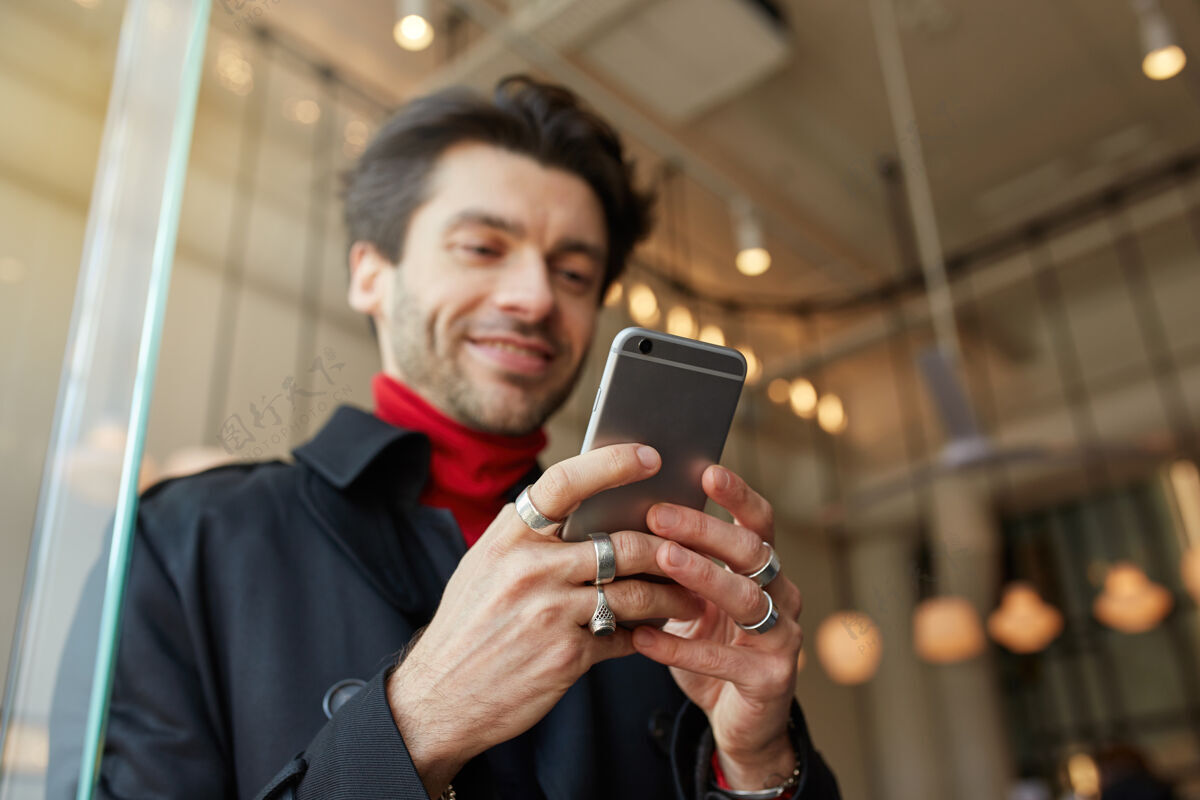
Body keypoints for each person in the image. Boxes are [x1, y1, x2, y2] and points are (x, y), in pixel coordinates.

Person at [53, 76, 841, 800]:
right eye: (482, 248)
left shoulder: (659, 582)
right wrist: (417, 722)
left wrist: (758, 763)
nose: (534, 297)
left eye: (573, 273)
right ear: (370, 271)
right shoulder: (182, 542)